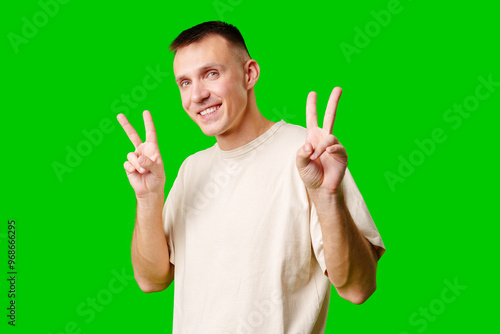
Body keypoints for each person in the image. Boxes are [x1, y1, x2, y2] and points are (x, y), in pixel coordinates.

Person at [117, 21, 385, 334]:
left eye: (211, 73)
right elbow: (151, 279)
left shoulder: (310, 156)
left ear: (249, 74)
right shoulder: (192, 170)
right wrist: (148, 199)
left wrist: (328, 197)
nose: (198, 95)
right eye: (184, 83)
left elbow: (358, 288)